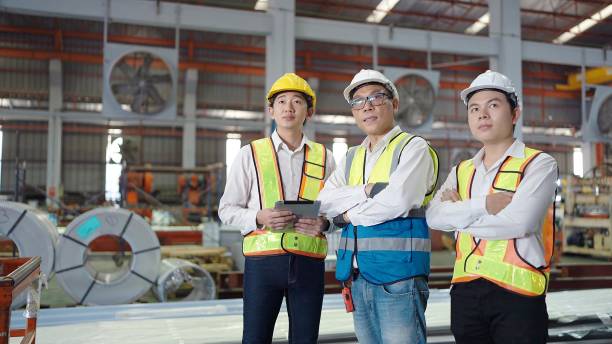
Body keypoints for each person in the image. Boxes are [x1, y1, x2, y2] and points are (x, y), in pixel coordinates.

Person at [426, 70, 557, 344]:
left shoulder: (538, 164)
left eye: (493, 105)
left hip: (518, 294)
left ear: (515, 114)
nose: (482, 114)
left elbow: (518, 223)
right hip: (465, 293)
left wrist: (459, 211)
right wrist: (482, 205)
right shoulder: (461, 170)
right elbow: (434, 217)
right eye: (474, 108)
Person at [318, 69, 439, 344]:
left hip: (399, 278)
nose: (367, 105)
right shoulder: (351, 157)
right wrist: (365, 191)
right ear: (353, 112)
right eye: (358, 101)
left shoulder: (413, 148)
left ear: (395, 103)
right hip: (357, 277)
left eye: (376, 97)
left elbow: (396, 202)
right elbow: (324, 200)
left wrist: (348, 214)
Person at [218, 73, 335, 344]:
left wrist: (325, 224)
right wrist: (259, 216)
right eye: (281, 101)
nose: (288, 107)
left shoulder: (325, 157)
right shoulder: (250, 153)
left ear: (309, 111)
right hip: (263, 265)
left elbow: (335, 211)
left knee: (305, 339)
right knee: (255, 339)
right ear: (271, 110)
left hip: (309, 264)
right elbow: (226, 209)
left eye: (297, 101)